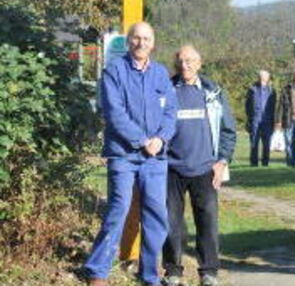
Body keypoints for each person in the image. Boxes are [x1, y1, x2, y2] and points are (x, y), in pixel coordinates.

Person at [84, 22, 177, 286]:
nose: (141, 43)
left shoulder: (160, 74)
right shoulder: (114, 71)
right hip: (123, 155)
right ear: (129, 41)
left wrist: (160, 138)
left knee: (156, 214)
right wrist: (141, 140)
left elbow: (171, 112)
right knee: (118, 209)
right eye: (136, 38)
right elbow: (114, 114)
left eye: (146, 39)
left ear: (153, 43)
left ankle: (149, 274)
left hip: (155, 157)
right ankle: (98, 270)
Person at [162, 45, 236, 286]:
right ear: (176, 63)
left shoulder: (213, 92)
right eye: (181, 61)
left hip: (205, 169)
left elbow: (228, 130)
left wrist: (222, 161)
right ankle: (173, 271)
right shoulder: (166, 90)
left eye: (190, 61)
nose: (186, 65)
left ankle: (209, 272)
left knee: (207, 222)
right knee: (171, 222)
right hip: (171, 168)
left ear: (200, 63)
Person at [245, 70, 275, 167]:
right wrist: (250, 117)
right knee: (254, 141)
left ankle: (265, 163)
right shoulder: (252, 89)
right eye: (260, 76)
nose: (262, 78)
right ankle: (254, 163)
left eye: (264, 76)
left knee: (266, 143)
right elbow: (247, 105)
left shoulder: (272, 91)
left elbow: (274, 106)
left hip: (267, 120)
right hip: (255, 119)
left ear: (267, 78)